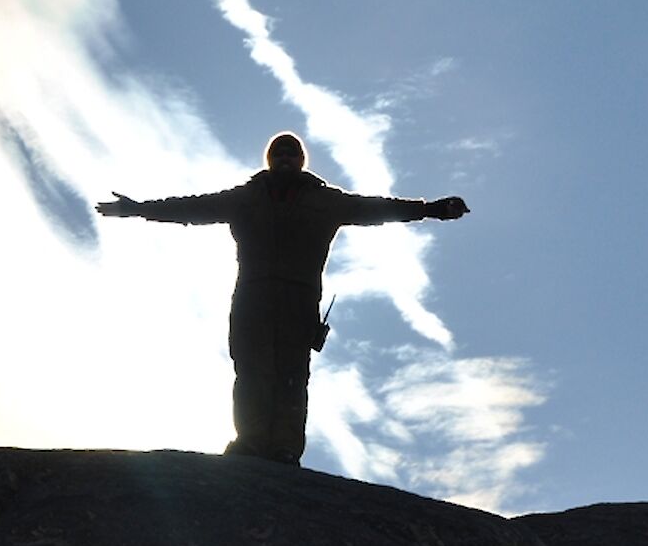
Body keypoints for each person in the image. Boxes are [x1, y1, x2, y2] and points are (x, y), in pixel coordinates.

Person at [96, 132, 468, 465]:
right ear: (269, 160)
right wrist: (139, 209)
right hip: (253, 295)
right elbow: (191, 208)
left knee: (291, 376)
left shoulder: (327, 201)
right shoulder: (245, 198)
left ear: (302, 160)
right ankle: (252, 442)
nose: (286, 159)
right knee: (251, 370)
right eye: (279, 154)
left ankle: (285, 449)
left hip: (299, 299)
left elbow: (377, 208)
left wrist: (429, 209)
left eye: (292, 154)